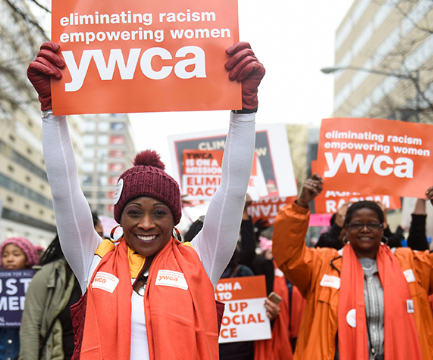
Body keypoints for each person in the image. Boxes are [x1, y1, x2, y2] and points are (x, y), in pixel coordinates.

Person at [27, 41, 265, 359]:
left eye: (160, 212)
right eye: (134, 211)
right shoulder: (93, 260)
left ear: (175, 218)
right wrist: (50, 111)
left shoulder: (202, 260)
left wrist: (244, 112)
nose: (146, 223)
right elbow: (64, 191)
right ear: (120, 216)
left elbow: (233, 190)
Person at [272, 174, 433, 360]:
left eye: (372, 224)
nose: (365, 229)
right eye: (357, 224)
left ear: (383, 228)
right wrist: (300, 205)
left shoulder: (411, 263)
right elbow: (287, 254)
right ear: (346, 229)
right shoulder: (322, 264)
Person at [0, 237, 39, 360]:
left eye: (16, 254)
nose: (10, 259)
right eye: (5, 255)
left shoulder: (38, 282)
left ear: (28, 259)